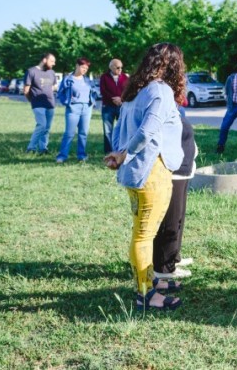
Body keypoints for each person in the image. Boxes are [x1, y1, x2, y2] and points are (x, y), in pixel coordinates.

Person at [105, 42, 186, 311]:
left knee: (140, 234)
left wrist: (119, 153)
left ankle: (145, 288)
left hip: (135, 174)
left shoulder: (135, 89)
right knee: (144, 236)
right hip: (153, 173)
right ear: (173, 64)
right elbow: (147, 131)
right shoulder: (160, 91)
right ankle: (146, 294)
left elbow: (118, 129)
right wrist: (124, 154)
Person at [153, 116, 197, 279]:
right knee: (170, 220)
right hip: (173, 171)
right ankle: (163, 267)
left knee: (178, 217)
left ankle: (173, 256)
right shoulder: (159, 101)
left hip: (183, 170)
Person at [56, 58, 95, 163]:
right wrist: (67, 102)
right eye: (83, 67)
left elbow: (93, 91)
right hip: (73, 109)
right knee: (69, 133)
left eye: (86, 68)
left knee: (83, 133)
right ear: (77, 66)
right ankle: (62, 156)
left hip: (87, 108)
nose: (84, 70)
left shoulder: (87, 80)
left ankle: (81, 155)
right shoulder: (68, 79)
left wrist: (92, 102)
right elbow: (60, 93)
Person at [24, 52, 57, 154]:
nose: (54, 63)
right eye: (52, 61)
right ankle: (31, 148)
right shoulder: (31, 71)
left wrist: (52, 90)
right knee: (41, 125)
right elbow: (26, 90)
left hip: (50, 103)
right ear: (44, 60)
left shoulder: (52, 72)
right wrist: (32, 101)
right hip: (38, 103)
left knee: (47, 128)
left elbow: (54, 86)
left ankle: (43, 148)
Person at [100, 59, 129, 154]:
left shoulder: (125, 77)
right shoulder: (104, 77)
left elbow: (128, 90)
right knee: (108, 130)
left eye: (121, 67)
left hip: (121, 106)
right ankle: (109, 152)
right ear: (111, 67)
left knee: (122, 129)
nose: (120, 69)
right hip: (108, 107)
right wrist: (113, 98)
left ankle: (120, 150)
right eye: (118, 67)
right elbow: (103, 91)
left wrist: (121, 99)